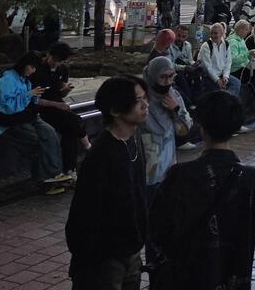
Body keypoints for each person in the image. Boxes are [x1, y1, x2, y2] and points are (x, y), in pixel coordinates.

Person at [148, 92, 255, 289]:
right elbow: (254, 228)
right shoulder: (253, 179)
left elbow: (158, 230)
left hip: (187, 278)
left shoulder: (180, 175)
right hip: (234, 277)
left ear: (202, 129)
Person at [65, 76, 150, 290]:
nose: (145, 104)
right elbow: (84, 214)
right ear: (115, 110)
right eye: (138, 100)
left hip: (131, 249)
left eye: (145, 98)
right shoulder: (101, 155)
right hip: (103, 257)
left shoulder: (134, 138)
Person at [0, 51, 72, 193]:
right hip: (12, 121)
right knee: (37, 141)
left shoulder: (25, 80)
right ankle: (44, 179)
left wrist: (34, 95)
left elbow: (31, 100)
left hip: (29, 117)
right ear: (25, 65)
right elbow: (6, 106)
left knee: (51, 134)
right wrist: (29, 94)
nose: (33, 72)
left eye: (35, 69)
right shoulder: (7, 79)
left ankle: (54, 174)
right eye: (32, 68)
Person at [31, 41, 90, 176]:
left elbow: (60, 93)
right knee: (75, 121)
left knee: (71, 131)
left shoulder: (62, 69)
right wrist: (56, 104)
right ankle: (88, 147)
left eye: (60, 62)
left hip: (58, 106)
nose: (56, 64)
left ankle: (70, 169)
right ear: (49, 55)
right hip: (43, 107)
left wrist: (66, 90)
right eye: (55, 60)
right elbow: (34, 99)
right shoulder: (37, 70)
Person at [142, 57, 192, 193]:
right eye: (162, 77)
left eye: (171, 76)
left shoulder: (174, 96)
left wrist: (176, 110)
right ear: (152, 77)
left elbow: (184, 130)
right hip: (146, 169)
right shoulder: (142, 99)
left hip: (168, 165)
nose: (167, 82)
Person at [198, 22, 242, 97]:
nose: (213, 36)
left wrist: (225, 77)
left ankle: (228, 101)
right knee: (219, 91)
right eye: (211, 33)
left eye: (215, 33)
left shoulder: (226, 44)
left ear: (221, 34)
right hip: (209, 76)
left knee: (236, 83)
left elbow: (228, 62)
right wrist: (217, 80)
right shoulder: (206, 46)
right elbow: (207, 67)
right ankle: (227, 100)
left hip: (221, 74)